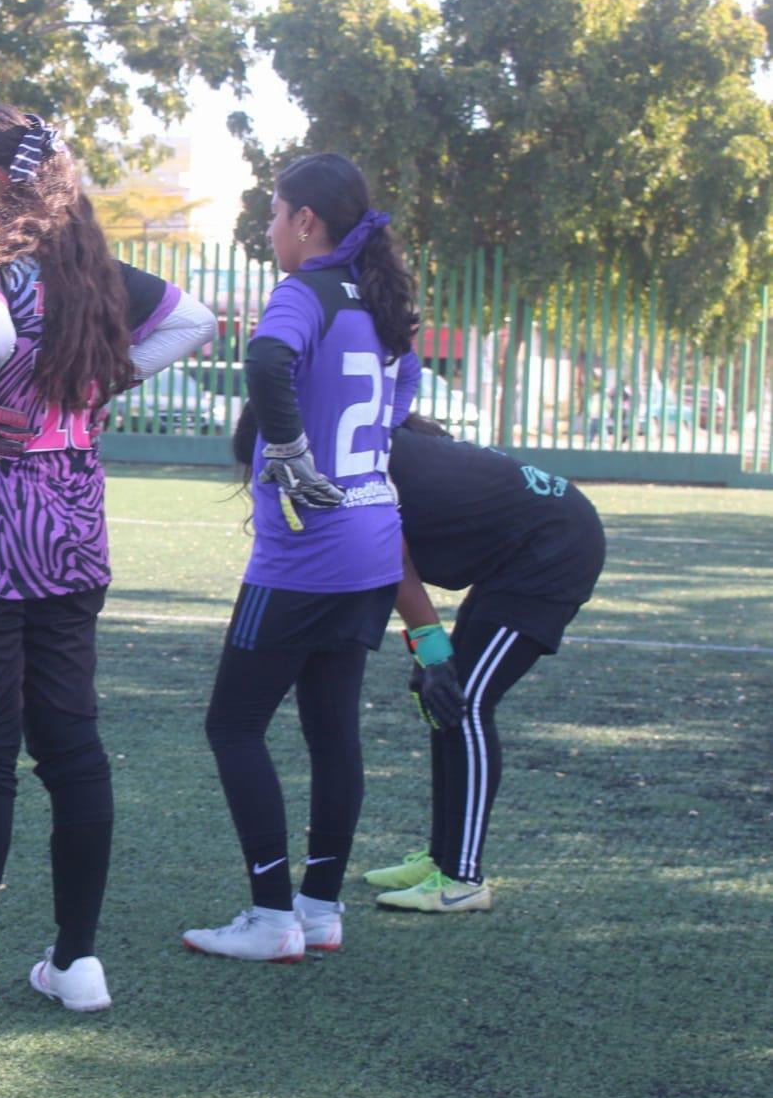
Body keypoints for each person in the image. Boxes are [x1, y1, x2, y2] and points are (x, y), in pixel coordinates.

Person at [0, 104, 217, 1022]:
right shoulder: (82, 267)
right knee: (72, 749)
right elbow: (194, 321)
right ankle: (75, 963)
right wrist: (97, 385)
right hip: (71, 532)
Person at [181, 152, 420, 963]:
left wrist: (284, 445)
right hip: (372, 547)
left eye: (275, 213)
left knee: (232, 725)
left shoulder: (305, 292)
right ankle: (319, 909)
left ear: (306, 222)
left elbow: (265, 359)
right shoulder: (386, 312)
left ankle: (269, 915)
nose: (270, 229)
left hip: (304, 553)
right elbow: (394, 414)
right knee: (331, 729)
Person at [363, 414, 606, 910]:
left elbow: (393, 563)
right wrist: (429, 659)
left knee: (468, 701)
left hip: (554, 551)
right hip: (517, 554)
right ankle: (441, 857)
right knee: (445, 700)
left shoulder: (358, 458)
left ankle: (462, 880)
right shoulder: (364, 442)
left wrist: (431, 654)